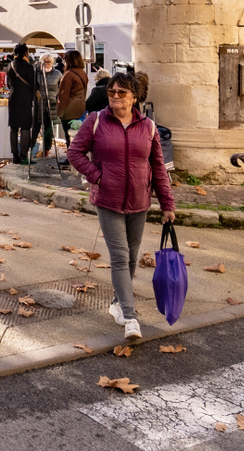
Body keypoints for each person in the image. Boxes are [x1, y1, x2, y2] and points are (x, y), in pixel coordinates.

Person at [66, 71, 174, 345]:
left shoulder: (148, 127)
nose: (115, 96)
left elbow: (159, 167)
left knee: (131, 257)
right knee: (119, 255)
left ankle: (117, 302)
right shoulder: (96, 121)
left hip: (139, 200)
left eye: (121, 93)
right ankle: (130, 316)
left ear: (134, 97)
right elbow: (74, 153)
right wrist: (97, 175)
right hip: (108, 200)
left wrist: (167, 204)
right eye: (112, 92)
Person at [6, 43, 42, 165]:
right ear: (25, 53)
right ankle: (23, 156)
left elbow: (8, 84)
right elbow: (34, 84)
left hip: (13, 98)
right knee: (26, 127)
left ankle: (14, 155)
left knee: (14, 128)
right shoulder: (28, 67)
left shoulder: (10, 65)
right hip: (25, 99)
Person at [57, 50, 88, 144]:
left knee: (69, 136)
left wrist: (60, 113)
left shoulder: (69, 74)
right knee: (77, 136)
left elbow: (63, 95)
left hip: (69, 110)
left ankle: (70, 157)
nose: (64, 61)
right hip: (80, 108)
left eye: (65, 59)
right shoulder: (83, 73)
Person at [41, 54, 63, 152]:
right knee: (39, 127)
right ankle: (34, 148)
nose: (46, 64)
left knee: (49, 128)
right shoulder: (37, 73)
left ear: (52, 62)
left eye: (48, 62)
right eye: (44, 61)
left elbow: (62, 88)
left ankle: (46, 149)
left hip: (52, 104)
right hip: (40, 103)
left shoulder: (57, 74)